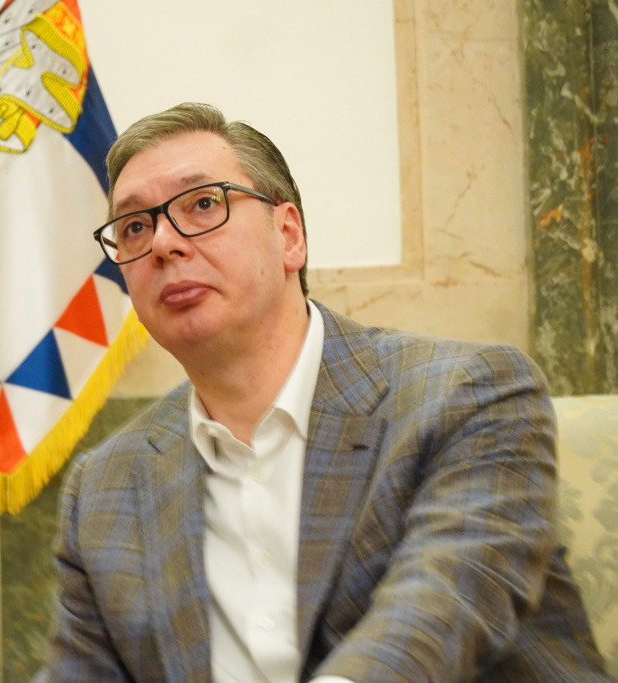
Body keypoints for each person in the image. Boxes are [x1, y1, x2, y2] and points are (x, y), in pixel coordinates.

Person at [37, 102, 611, 682]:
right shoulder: (105, 487)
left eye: (203, 204)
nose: (163, 242)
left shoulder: (467, 395)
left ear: (288, 236)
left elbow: (439, 614)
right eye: (134, 227)